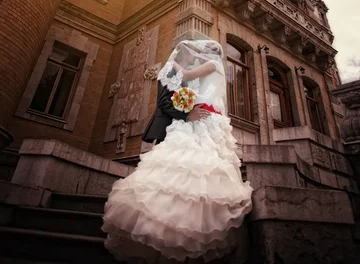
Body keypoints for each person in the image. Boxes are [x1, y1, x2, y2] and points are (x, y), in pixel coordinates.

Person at [103, 40, 253, 263]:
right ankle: (163, 222)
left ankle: (191, 222)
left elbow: (187, 76)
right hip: (189, 120)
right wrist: (183, 102)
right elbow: (169, 97)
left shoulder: (210, 66)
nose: (197, 56)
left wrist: (174, 68)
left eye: (200, 53)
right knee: (181, 165)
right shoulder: (186, 69)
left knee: (193, 165)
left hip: (201, 119)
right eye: (194, 53)